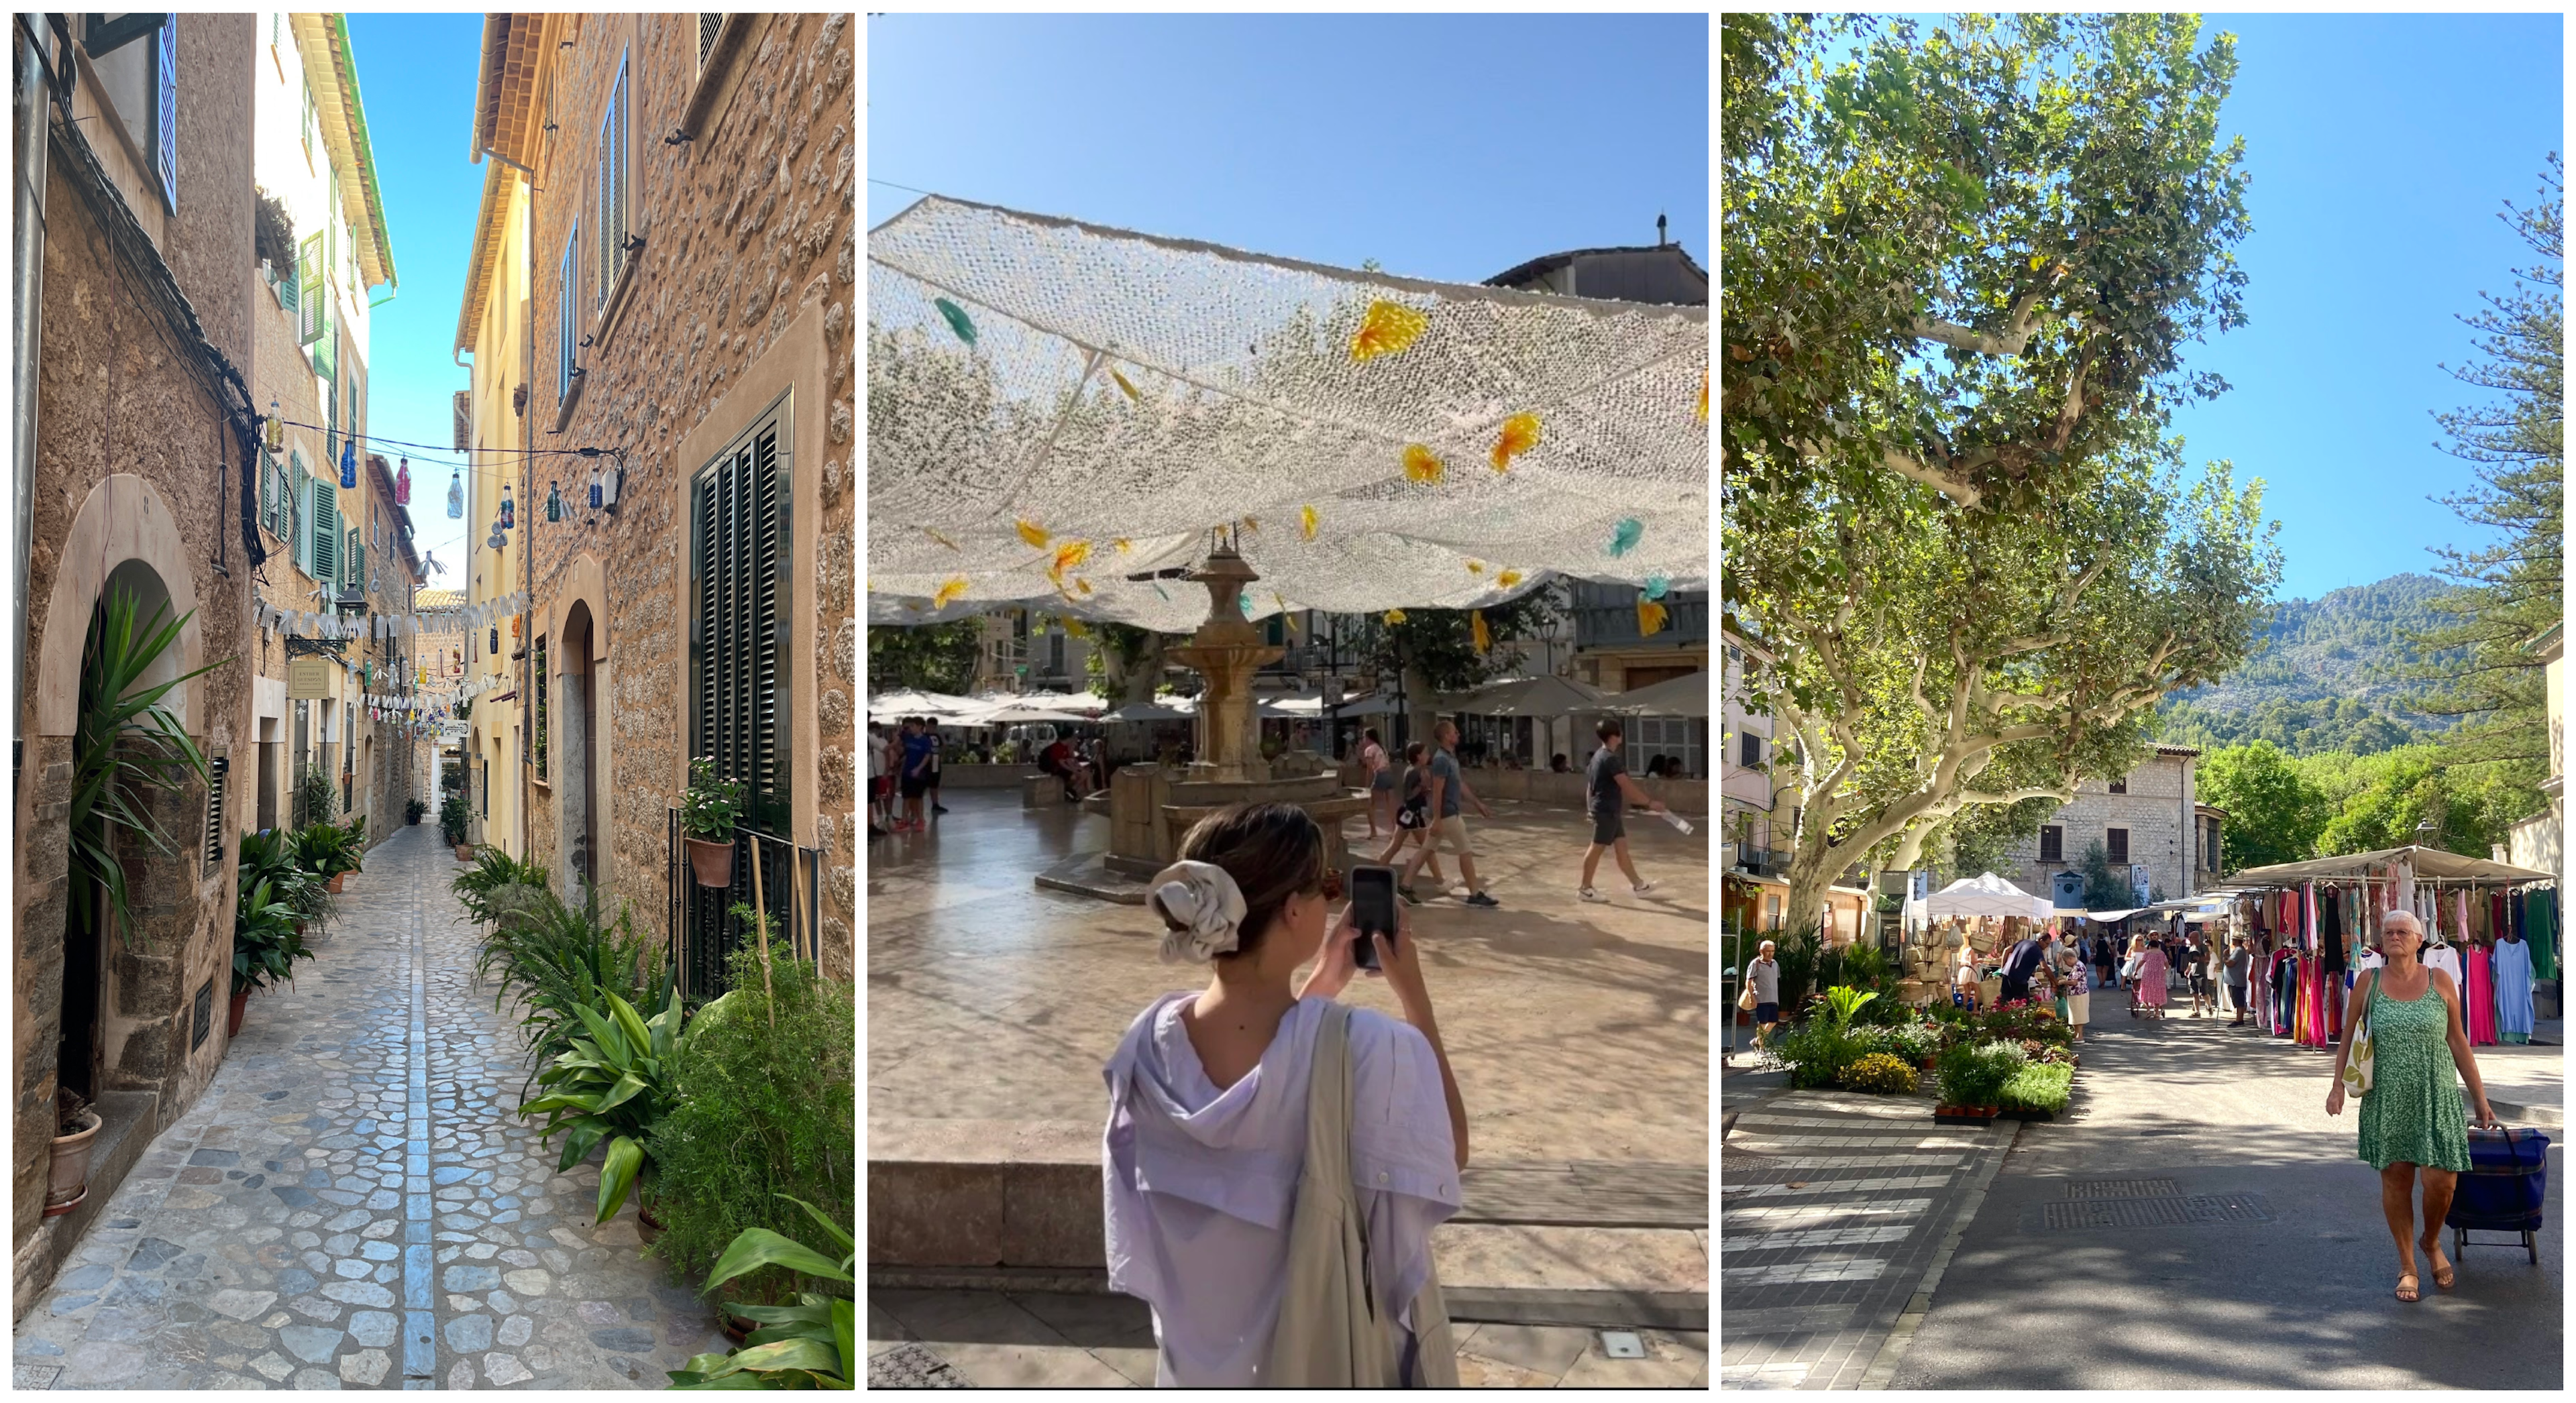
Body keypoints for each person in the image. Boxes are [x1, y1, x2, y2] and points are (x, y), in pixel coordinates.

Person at [1102, 803, 1468, 1386]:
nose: (1331, 899)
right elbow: (1450, 1149)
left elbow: (1272, 1073)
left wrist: (1319, 984)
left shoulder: (1144, 1047)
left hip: (1196, 1368)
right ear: (1295, 910)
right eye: (1326, 884)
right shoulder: (1366, 1048)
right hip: (1316, 1358)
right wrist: (1414, 995)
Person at [2327, 909, 2502, 1303]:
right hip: (2387, 1097)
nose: (2394, 937)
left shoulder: (2440, 981)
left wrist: (2480, 1098)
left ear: (2420, 940)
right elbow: (2347, 1036)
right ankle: (2407, 1264)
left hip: (2436, 1094)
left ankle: (2431, 1240)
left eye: (2403, 931)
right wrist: (2337, 1086)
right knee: (2397, 1180)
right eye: (2388, 932)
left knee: (2443, 1183)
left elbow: (2457, 1040)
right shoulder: (2367, 983)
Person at [1397, 720, 1496, 909]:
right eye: (1455, 732)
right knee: (1465, 851)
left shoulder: (1450, 757)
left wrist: (1477, 804)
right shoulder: (1442, 759)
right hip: (1448, 814)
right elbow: (1437, 790)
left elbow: (1459, 784)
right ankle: (1474, 893)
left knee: (1426, 850)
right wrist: (1436, 819)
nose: (1458, 734)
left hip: (1446, 814)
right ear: (1446, 736)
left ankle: (1405, 886)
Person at [1578, 718, 1667, 902]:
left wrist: (1589, 808)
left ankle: (1638, 885)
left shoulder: (1597, 757)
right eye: (1620, 732)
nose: (1622, 736)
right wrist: (1650, 803)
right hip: (1606, 811)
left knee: (1622, 849)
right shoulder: (1610, 760)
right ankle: (1585, 889)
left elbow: (1590, 787)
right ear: (1614, 737)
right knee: (1596, 848)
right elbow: (1626, 786)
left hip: (1609, 811)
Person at [1372, 744, 1450, 891]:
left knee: (1398, 846)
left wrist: (1424, 789)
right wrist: (1422, 787)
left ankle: (1376, 875)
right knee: (1427, 848)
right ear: (1418, 756)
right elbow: (1409, 795)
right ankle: (1440, 882)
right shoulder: (1415, 772)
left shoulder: (1414, 770)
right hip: (1412, 814)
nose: (1428, 755)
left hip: (1408, 813)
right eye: (1426, 753)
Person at [898, 718, 936, 832]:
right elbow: (903, 752)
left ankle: (921, 820)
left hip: (919, 774)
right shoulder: (908, 737)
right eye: (910, 726)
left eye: (913, 726)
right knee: (906, 797)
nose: (911, 728)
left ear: (920, 727)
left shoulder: (925, 740)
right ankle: (904, 820)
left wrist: (918, 769)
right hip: (907, 772)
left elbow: (927, 756)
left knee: (918, 798)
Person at [2053, 943, 2092, 1042]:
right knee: (2075, 1014)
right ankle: (2076, 1034)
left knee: (2079, 1014)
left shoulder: (2078, 966)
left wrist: (2063, 981)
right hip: (2076, 994)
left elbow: (2074, 982)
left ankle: (2080, 1036)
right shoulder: (2076, 966)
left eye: (2066, 961)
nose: (2066, 964)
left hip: (2079, 993)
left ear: (2070, 958)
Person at [1999, 928, 2047, 1006]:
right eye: (2047, 944)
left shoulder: (2025, 941)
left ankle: (1997, 1015)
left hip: (2007, 975)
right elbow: (2044, 967)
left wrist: (2003, 969)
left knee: (2003, 1001)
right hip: (2019, 979)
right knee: (2023, 1004)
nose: (2047, 946)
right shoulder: (2037, 950)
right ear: (2041, 941)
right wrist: (2054, 982)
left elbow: (2007, 950)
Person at [1360, 728, 1394, 840]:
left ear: (1368, 737)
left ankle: (1373, 831)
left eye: (1364, 737)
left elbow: (1369, 769)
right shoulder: (1382, 748)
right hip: (1389, 775)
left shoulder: (1369, 750)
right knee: (1390, 804)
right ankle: (1394, 830)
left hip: (1380, 775)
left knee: (1370, 804)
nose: (1363, 739)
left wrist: (1367, 785)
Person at [1750, 939, 1782, 1050]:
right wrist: (1752, 997)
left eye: (1773, 951)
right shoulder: (1756, 964)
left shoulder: (1775, 964)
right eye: (1768, 951)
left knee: (1773, 1022)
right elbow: (1748, 981)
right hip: (1761, 999)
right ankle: (1762, 1049)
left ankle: (1757, 1040)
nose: (1770, 954)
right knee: (1762, 1023)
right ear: (1761, 951)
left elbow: (1775, 979)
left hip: (1773, 998)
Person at [2130, 936, 2169, 1019]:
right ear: (2158, 946)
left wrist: (2136, 971)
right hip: (2159, 976)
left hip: (2148, 974)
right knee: (2158, 992)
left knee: (2146, 991)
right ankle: (2157, 1012)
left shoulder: (2147, 953)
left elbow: (2141, 963)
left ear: (2150, 946)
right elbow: (2167, 965)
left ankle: (2148, 1010)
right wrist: (2163, 971)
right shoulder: (2162, 953)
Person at [2225, 934, 2254, 1027]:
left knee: (2238, 1000)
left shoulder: (2239, 951)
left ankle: (2239, 1019)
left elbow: (2231, 963)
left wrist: (2225, 959)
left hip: (2236, 980)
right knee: (2238, 1000)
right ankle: (2239, 1019)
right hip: (2236, 979)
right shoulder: (2239, 950)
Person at [924, 719, 950, 818]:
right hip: (927, 762)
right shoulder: (924, 736)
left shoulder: (937, 736)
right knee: (924, 784)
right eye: (929, 726)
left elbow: (944, 746)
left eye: (933, 727)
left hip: (935, 762)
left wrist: (940, 755)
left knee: (934, 784)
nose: (930, 728)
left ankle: (935, 804)